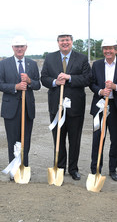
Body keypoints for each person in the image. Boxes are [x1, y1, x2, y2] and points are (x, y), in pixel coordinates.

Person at [41, 32, 91, 180]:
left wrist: (69, 78)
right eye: (62, 40)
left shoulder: (81, 58)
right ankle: (60, 167)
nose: (65, 43)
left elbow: (88, 78)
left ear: (71, 42)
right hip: (56, 106)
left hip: (75, 106)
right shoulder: (50, 58)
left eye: (67, 40)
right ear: (58, 43)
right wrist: (55, 82)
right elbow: (43, 78)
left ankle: (73, 168)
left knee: (74, 140)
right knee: (58, 138)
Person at [0, 36, 41, 180]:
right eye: (17, 47)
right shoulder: (4, 64)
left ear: (26, 47)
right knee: (12, 140)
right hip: (11, 109)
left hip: (27, 108)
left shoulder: (32, 64)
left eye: (22, 46)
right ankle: (14, 169)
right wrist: (15, 87)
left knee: (25, 140)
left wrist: (29, 81)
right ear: (12, 48)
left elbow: (38, 84)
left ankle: (24, 167)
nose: (19, 49)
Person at [89, 39, 117, 181]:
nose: (108, 51)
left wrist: (115, 87)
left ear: (116, 50)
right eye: (105, 49)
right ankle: (95, 168)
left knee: (115, 140)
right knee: (97, 139)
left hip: (116, 107)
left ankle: (113, 169)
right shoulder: (96, 65)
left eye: (111, 49)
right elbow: (91, 83)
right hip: (100, 106)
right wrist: (101, 91)